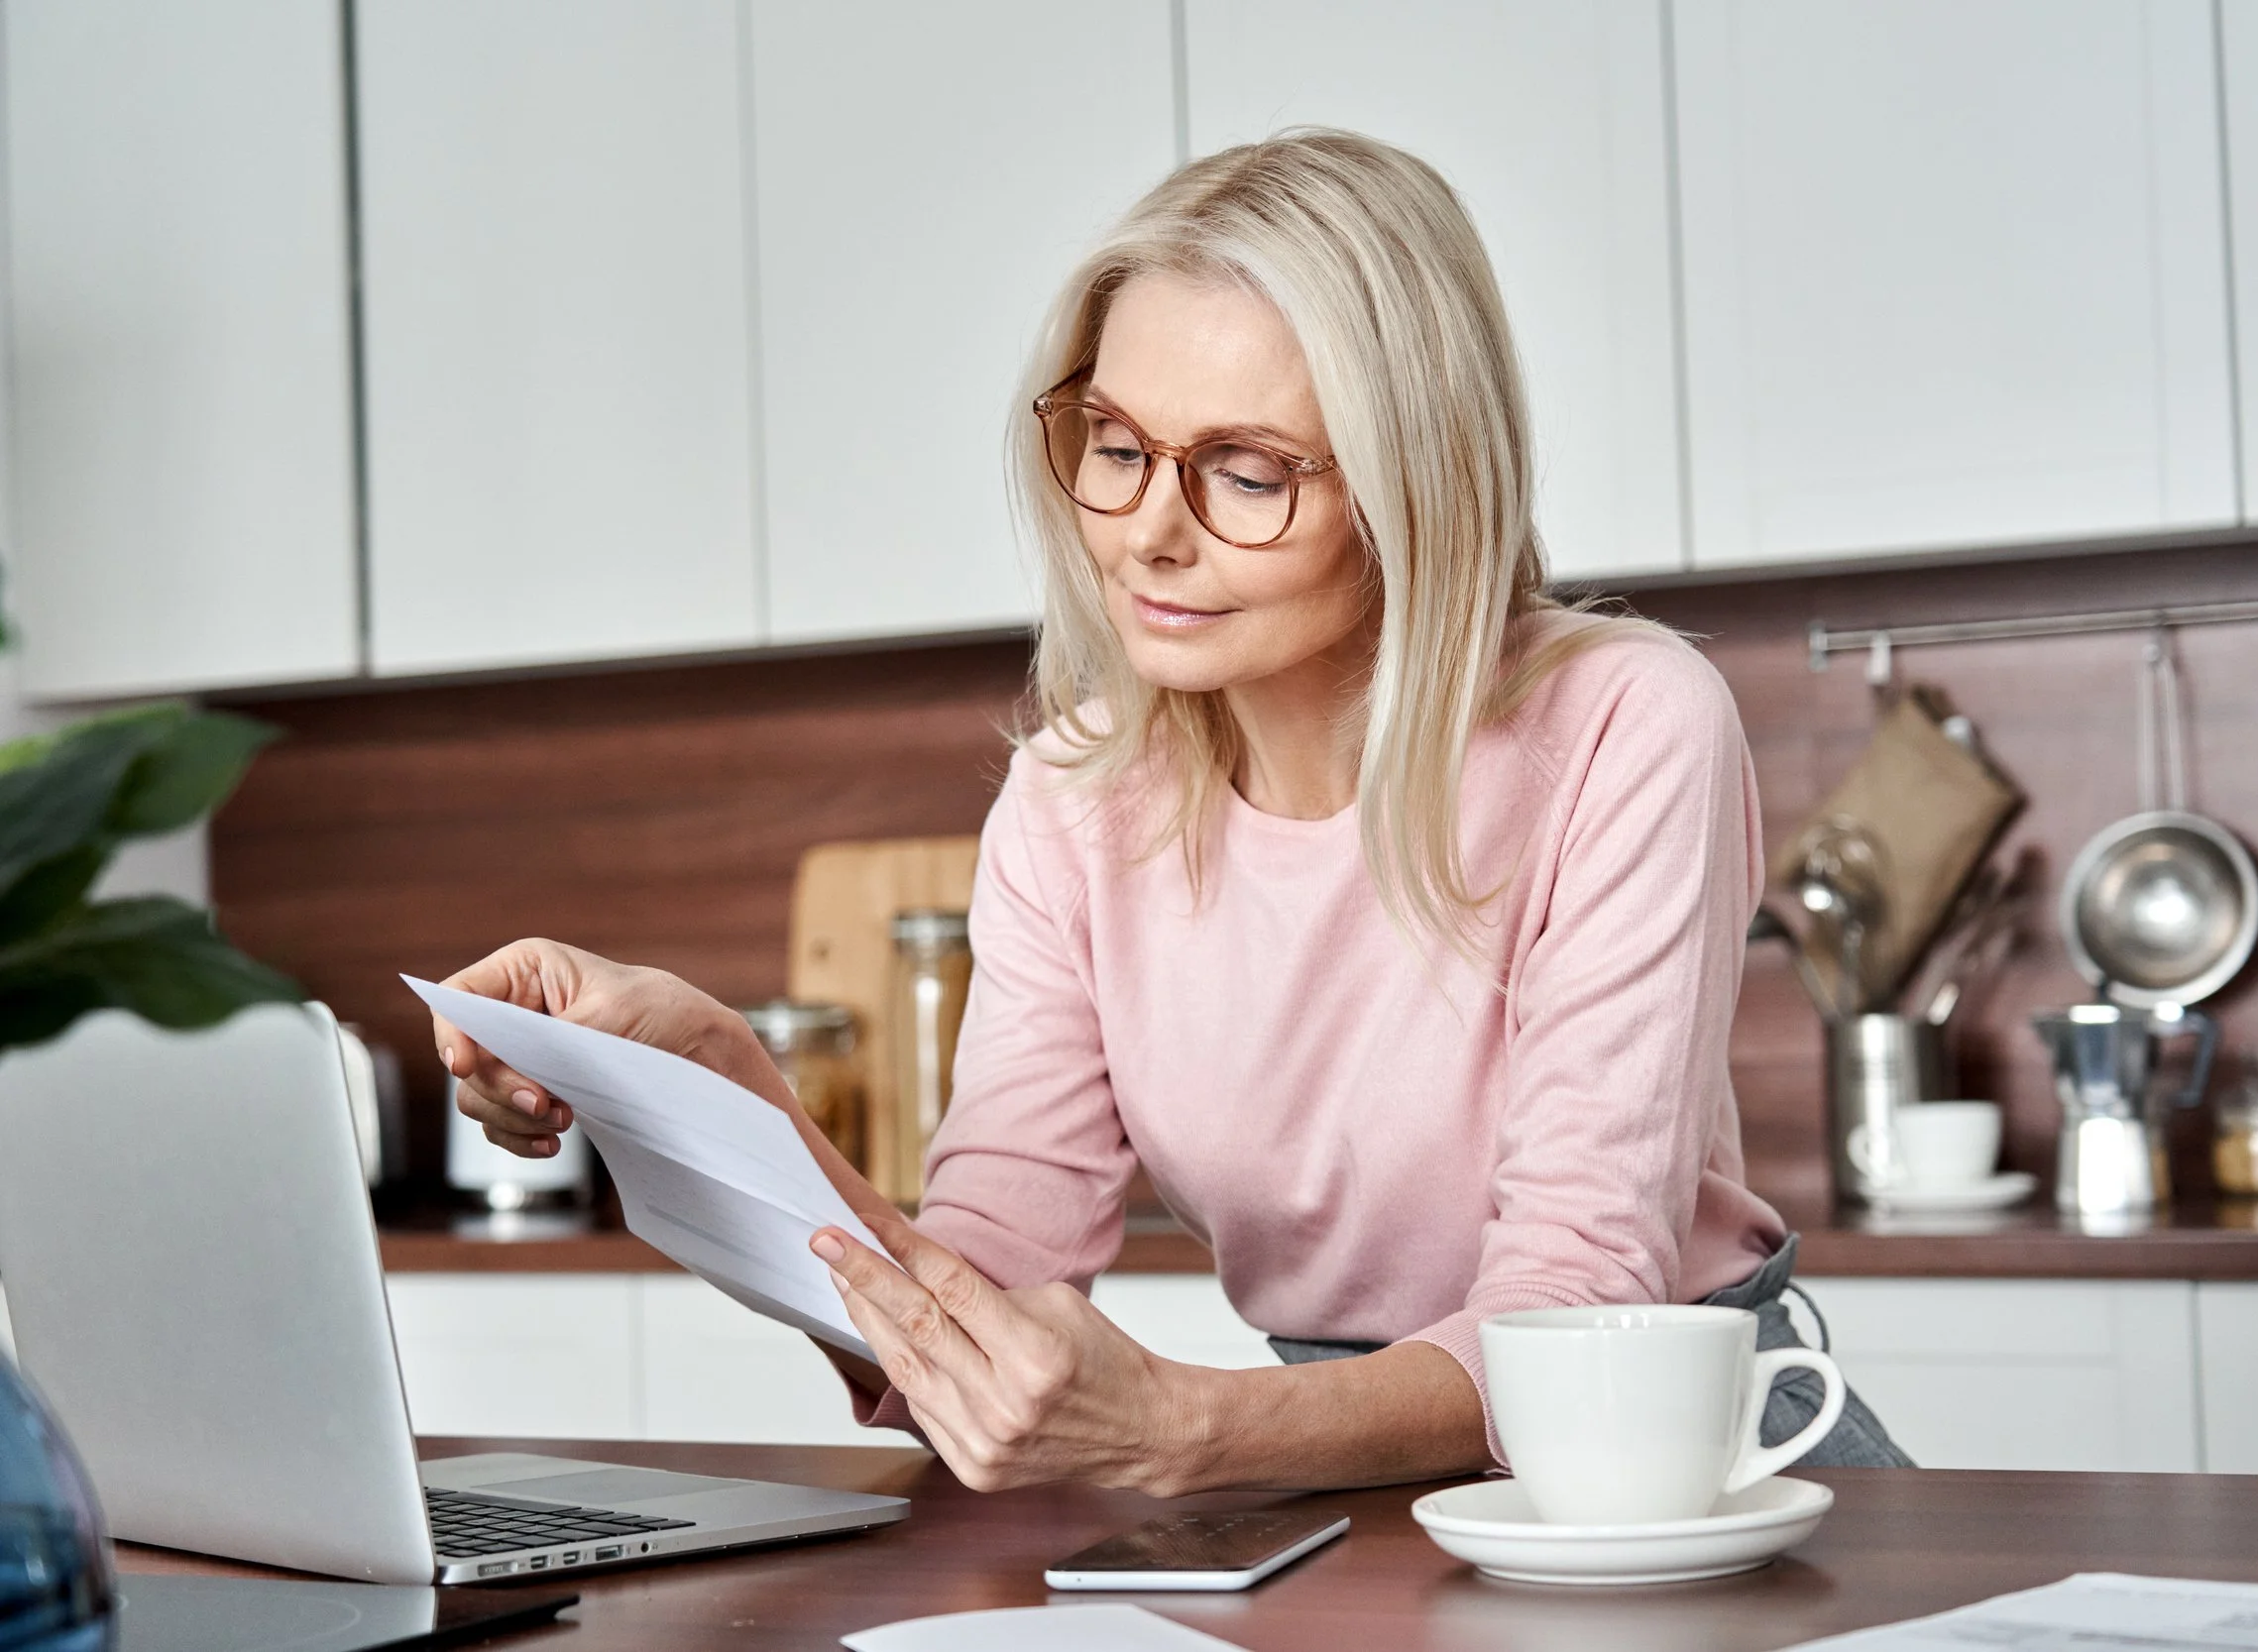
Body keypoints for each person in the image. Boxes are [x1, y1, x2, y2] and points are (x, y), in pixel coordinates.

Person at [435, 129, 1910, 1496]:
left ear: (1416, 486)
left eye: (1248, 473)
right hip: (1341, 1471)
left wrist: (1188, 1431)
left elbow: (1576, 1310)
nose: (1147, 528)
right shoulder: (1081, 797)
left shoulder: (1625, 723)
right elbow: (979, 1308)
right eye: (1119, 443)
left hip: (1687, 1457)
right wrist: (718, 1083)